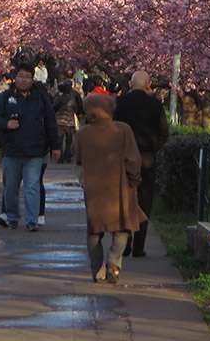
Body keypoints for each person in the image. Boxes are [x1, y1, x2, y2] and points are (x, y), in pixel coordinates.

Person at [74, 91, 146, 284]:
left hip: (94, 188)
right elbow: (133, 159)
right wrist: (135, 179)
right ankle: (114, 263)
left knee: (94, 230)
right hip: (120, 186)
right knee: (121, 228)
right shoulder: (123, 130)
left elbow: (78, 158)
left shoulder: (83, 134)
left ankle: (97, 269)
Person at [0, 62, 61, 230]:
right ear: (15, 78)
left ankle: (32, 221)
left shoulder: (40, 98)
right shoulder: (5, 97)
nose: (24, 80)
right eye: (21, 76)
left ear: (32, 79)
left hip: (35, 151)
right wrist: (6, 124)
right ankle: (12, 217)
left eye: (28, 77)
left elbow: (50, 122)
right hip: (12, 150)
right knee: (10, 188)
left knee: (32, 187)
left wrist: (55, 146)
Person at [115, 69, 170, 257]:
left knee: (124, 199)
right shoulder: (155, 105)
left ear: (131, 84)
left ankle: (125, 241)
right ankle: (139, 245)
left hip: (123, 158)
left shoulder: (120, 103)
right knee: (145, 200)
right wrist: (154, 148)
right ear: (148, 85)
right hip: (146, 157)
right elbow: (164, 131)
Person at [54, 79, 84, 163]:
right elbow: (80, 105)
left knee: (60, 140)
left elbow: (54, 107)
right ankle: (67, 156)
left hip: (60, 120)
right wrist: (78, 113)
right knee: (69, 139)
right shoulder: (75, 94)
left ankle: (61, 157)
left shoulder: (59, 96)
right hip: (70, 120)